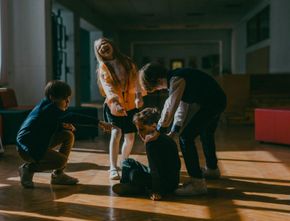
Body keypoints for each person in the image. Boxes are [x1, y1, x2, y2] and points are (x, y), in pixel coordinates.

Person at [139, 63, 227, 196]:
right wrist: (174, 130)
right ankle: (212, 169)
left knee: (186, 138)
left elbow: (170, 106)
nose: (158, 90)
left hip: (213, 103)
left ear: (155, 81)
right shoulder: (178, 77)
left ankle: (197, 183)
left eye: (155, 88)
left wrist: (158, 131)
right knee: (206, 133)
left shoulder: (176, 79)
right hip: (217, 100)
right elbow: (181, 106)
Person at [16, 80, 113, 188]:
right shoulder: (48, 109)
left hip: (37, 142)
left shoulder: (47, 105)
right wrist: (99, 122)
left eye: (68, 98)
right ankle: (28, 169)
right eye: (64, 98)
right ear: (52, 97)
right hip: (28, 148)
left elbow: (44, 126)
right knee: (60, 161)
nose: (67, 101)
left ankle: (58, 175)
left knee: (67, 135)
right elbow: (72, 116)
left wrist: (61, 126)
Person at [94, 38, 144, 180]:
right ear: (98, 53)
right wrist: (115, 103)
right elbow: (108, 88)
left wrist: (138, 96)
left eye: (105, 43)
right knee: (116, 133)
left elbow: (136, 80)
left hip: (131, 104)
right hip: (113, 104)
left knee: (130, 137)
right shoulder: (103, 67)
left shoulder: (127, 62)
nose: (103, 47)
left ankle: (124, 162)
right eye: (99, 47)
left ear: (111, 44)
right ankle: (113, 167)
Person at [112, 108, 180, 201]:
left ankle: (135, 187)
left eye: (142, 129)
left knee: (134, 174)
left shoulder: (152, 143)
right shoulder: (161, 137)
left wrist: (156, 191)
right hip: (166, 179)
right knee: (127, 162)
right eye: (138, 130)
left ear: (153, 126)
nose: (140, 133)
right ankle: (127, 185)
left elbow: (155, 170)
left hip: (165, 183)